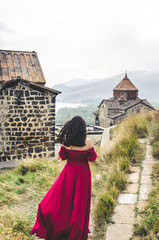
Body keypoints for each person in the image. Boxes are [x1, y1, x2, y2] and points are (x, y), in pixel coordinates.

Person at [30, 116, 97, 240]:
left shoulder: (67, 143)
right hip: (83, 174)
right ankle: (78, 231)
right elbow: (92, 159)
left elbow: (62, 157)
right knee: (79, 204)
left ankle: (63, 228)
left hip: (69, 173)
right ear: (83, 129)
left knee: (65, 202)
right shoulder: (88, 142)